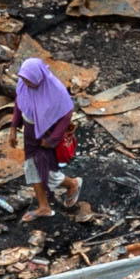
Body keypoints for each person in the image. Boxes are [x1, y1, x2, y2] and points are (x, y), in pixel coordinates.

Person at [12, 53, 85, 219]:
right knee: (31, 168)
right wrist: (13, 127)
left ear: (39, 77)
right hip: (30, 132)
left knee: (48, 172)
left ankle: (73, 183)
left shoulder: (55, 90)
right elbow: (19, 101)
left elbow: (66, 113)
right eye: (24, 79)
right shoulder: (24, 84)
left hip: (47, 134)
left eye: (29, 80)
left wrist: (52, 140)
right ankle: (43, 207)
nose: (26, 83)